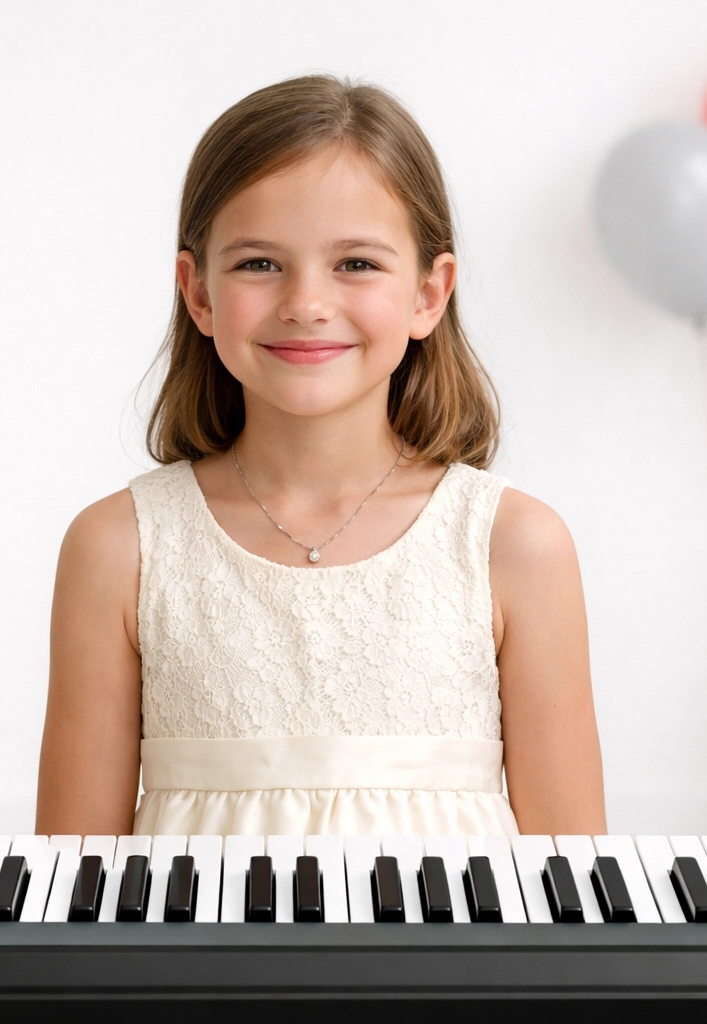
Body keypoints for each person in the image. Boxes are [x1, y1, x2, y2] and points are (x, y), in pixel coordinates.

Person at [36, 75, 604, 838]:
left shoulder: (515, 546)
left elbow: (572, 897)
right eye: (259, 264)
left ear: (428, 294)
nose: (306, 302)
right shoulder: (119, 550)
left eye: (357, 264)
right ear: (197, 293)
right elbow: (76, 897)